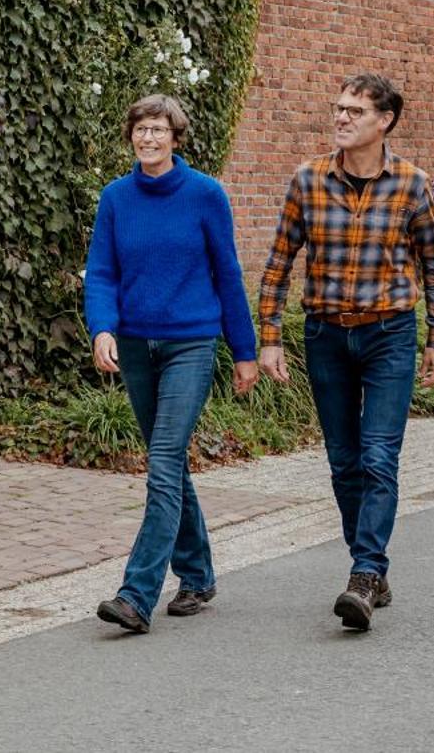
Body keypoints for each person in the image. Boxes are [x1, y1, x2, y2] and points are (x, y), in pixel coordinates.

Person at [256, 71, 434, 631]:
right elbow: (278, 263)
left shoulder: (411, 185)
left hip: (389, 333)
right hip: (324, 334)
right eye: (339, 108)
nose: (341, 118)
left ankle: (365, 574)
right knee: (344, 462)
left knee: (378, 457)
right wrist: (270, 337)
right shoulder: (308, 180)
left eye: (355, 111)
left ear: (384, 121)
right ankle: (370, 564)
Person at [85, 94, 258, 635]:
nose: (149, 138)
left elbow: (227, 274)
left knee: (161, 461)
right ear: (131, 136)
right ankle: (199, 574)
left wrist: (245, 351)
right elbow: (103, 271)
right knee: (171, 469)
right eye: (141, 129)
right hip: (136, 345)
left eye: (159, 129)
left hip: (190, 344)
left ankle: (136, 594)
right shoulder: (116, 198)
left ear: (176, 137)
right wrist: (103, 328)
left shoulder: (205, 195)